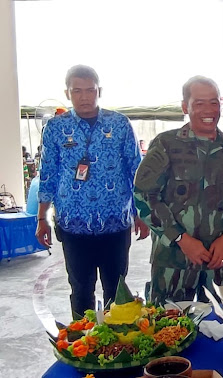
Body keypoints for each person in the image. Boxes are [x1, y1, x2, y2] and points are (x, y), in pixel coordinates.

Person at [134, 75, 223, 304]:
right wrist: (181, 239)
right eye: (199, 103)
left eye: (214, 102)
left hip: (220, 263)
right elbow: (144, 195)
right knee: (170, 329)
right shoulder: (166, 145)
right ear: (185, 106)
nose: (208, 110)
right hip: (172, 264)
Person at [36, 65, 149, 318]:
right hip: (73, 226)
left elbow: (136, 172)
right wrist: (41, 218)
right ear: (68, 93)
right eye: (77, 91)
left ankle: (117, 345)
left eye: (90, 90)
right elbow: (48, 175)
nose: (84, 97)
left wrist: (142, 213)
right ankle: (83, 346)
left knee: (117, 291)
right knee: (80, 289)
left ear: (100, 91)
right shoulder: (56, 128)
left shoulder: (119, 124)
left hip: (116, 225)